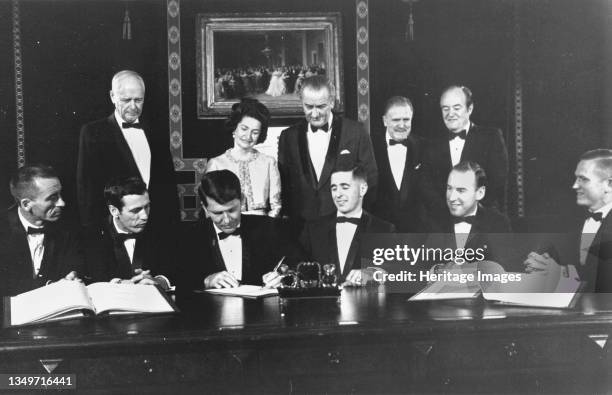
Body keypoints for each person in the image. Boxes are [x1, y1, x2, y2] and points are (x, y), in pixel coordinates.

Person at [77, 70, 179, 234]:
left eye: (138, 100)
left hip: (157, 228)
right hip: (114, 230)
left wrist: (173, 227)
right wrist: (94, 232)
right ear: (112, 96)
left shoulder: (156, 131)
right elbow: (87, 188)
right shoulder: (93, 132)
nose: (133, 106)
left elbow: (168, 185)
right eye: (126, 100)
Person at [278, 75, 378, 235]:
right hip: (301, 230)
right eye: (309, 106)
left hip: (344, 227)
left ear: (332, 102)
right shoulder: (288, 136)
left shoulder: (356, 132)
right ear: (301, 103)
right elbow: (283, 186)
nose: (315, 114)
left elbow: (370, 180)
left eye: (321, 106)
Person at [178, 170, 300, 292]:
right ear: (205, 207)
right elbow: (176, 278)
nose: (226, 220)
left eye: (232, 210)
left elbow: (300, 265)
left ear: (242, 199)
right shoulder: (191, 235)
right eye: (217, 213)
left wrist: (283, 275)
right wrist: (206, 280)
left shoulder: (269, 227)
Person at [524, 149, 612, 292]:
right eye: (576, 178)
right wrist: (537, 263)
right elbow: (547, 260)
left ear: (609, 184)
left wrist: (561, 274)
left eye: (583, 179)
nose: (575, 186)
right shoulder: (570, 220)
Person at [299, 158, 394, 286]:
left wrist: (371, 274)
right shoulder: (313, 229)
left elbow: (396, 273)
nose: (338, 194)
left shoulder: (384, 230)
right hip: (322, 306)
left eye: (345, 187)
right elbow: (298, 270)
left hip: (365, 305)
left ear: (363, 189)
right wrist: (280, 276)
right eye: (334, 188)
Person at [421, 85, 508, 220]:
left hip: (481, 222)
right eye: (445, 109)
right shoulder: (432, 144)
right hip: (443, 224)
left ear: (470, 109)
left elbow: (496, 184)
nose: (450, 114)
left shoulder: (491, 137)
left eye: (456, 108)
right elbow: (428, 190)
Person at [0, 164, 83, 296]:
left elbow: (76, 269)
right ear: (26, 204)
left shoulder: (69, 229)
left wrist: (72, 278)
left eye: (60, 195)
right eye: (53, 198)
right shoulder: (3, 229)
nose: (62, 203)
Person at [83, 177, 174, 289]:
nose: (145, 216)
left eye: (147, 207)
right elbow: (89, 280)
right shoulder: (91, 236)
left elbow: (176, 270)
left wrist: (160, 282)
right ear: (114, 211)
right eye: (135, 210)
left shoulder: (162, 229)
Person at [206, 98, 281, 217]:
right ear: (234, 128)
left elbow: (276, 206)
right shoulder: (216, 163)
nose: (248, 136)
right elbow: (209, 207)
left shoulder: (269, 162)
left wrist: (267, 228)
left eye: (255, 132)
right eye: (244, 129)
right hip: (227, 226)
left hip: (263, 228)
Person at [426, 161, 512, 265]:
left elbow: (501, 272)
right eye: (449, 188)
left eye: (461, 190)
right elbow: (423, 268)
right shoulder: (434, 221)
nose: (452, 197)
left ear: (480, 193)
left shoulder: (497, 223)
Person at [372, 96, 424, 232]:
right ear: (385, 121)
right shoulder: (370, 146)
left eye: (406, 120)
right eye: (396, 120)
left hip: (415, 233)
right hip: (379, 232)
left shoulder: (422, 146)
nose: (402, 125)